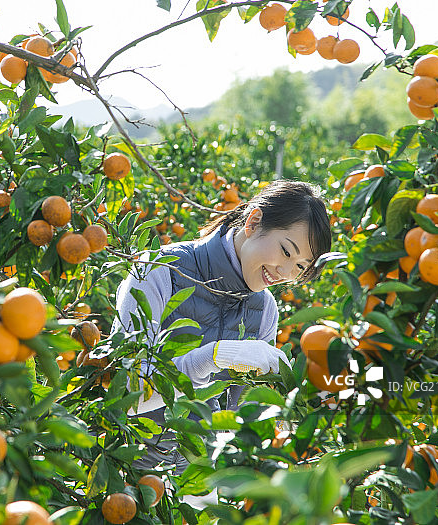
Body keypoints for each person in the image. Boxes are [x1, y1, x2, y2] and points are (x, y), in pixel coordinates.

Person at [110, 180, 332, 475]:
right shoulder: (158, 271)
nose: (285, 272)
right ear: (253, 221)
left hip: (199, 491)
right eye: (286, 252)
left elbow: (242, 419)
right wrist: (208, 358)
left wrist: (294, 409)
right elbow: (122, 395)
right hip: (123, 480)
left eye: (301, 267)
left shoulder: (264, 310)